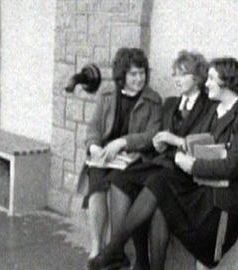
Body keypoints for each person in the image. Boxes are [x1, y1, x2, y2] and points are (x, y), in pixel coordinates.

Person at [89, 57, 238, 270]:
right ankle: (117, 252)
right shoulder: (220, 109)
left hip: (219, 199)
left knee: (159, 186)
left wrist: (191, 164)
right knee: (156, 182)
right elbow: (209, 147)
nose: (206, 83)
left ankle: (113, 251)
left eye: (211, 79)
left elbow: (231, 166)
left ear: (226, 83)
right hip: (203, 185)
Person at [104, 50, 213, 270]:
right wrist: (158, 143)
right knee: (120, 178)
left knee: (156, 191)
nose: (176, 79)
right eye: (175, 74)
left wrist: (175, 140)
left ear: (198, 77)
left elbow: (205, 145)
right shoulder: (171, 104)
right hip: (162, 163)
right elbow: (157, 137)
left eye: (183, 75)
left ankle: (113, 250)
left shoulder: (209, 107)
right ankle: (139, 260)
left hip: (185, 172)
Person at [79, 47, 162, 268]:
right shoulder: (107, 94)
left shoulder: (153, 101)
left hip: (133, 160)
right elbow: (93, 128)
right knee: (96, 184)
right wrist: (95, 147)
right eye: (133, 74)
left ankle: (115, 248)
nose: (139, 78)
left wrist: (124, 142)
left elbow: (152, 135)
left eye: (142, 73)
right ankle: (97, 246)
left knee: (119, 182)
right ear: (122, 75)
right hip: (105, 157)